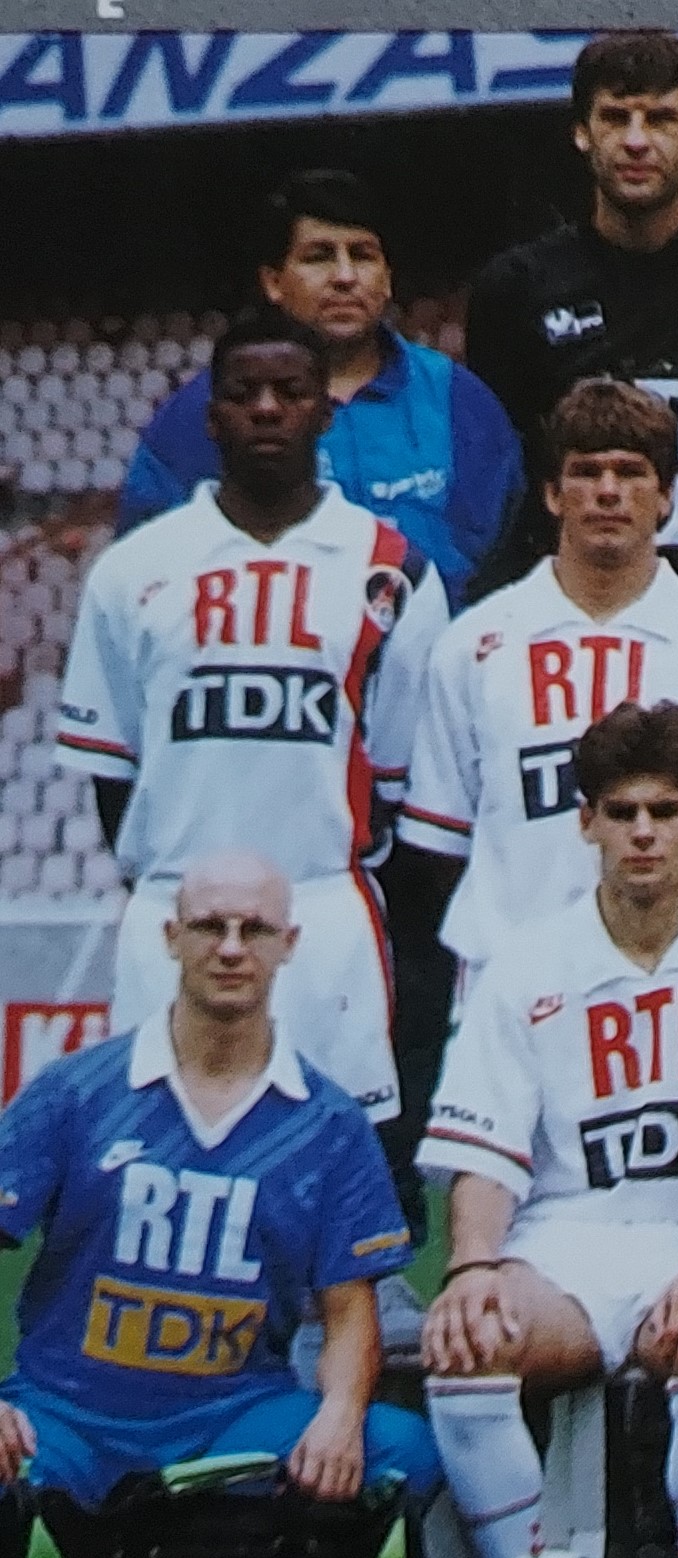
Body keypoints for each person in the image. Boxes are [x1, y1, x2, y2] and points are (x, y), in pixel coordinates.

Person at [413, 703, 678, 1558]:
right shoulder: (525, 962)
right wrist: (471, 1268)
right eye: (621, 812)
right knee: (468, 1344)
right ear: (585, 821)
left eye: (665, 811)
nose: (643, 832)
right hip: (568, 1242)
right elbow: (484, 1148)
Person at [59, 307, 451, 1132]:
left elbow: (399, 776)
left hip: (325, 913)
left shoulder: (392, 570)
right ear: (212, 416)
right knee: (155, 1152)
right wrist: (179, 888)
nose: (268, 408)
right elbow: (111, 770)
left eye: (290, 391)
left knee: (334, 1162)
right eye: (245, 393)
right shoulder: (134, 570)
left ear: (325, 411)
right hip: (173, 914)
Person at [0, 849, 437, 1509]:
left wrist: (341, 1414)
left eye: (254, 929)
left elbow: (350, 1312)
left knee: (404, 1450)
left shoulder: (330, 1124)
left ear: (289, 944)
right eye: (210, 926)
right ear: (171, 937)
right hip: (67, 1415)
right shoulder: (76, 1090)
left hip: (233, 1420)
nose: (231, 949)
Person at [397, 380, 678, 979]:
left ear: (666, 495)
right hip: (511, 974)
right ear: (552, 494)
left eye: (630, 472)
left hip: (672, 977)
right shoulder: (474, 644)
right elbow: (441, 842)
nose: (608, 492)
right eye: (586, 472)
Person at [467, 31, 678, 613]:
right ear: (582, 132)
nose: (635, 140)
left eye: (660, 118)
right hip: (578, 616)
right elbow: (499, 482)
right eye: (614, 117)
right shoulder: (518, 288)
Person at [122, 171, 523, 602]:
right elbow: (148, 569)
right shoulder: (209, 412)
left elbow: (505, 559)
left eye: (363, 256)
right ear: (273, 282)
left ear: (387, 279)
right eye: (319, 257)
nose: (345, 277)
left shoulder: (458, 401)